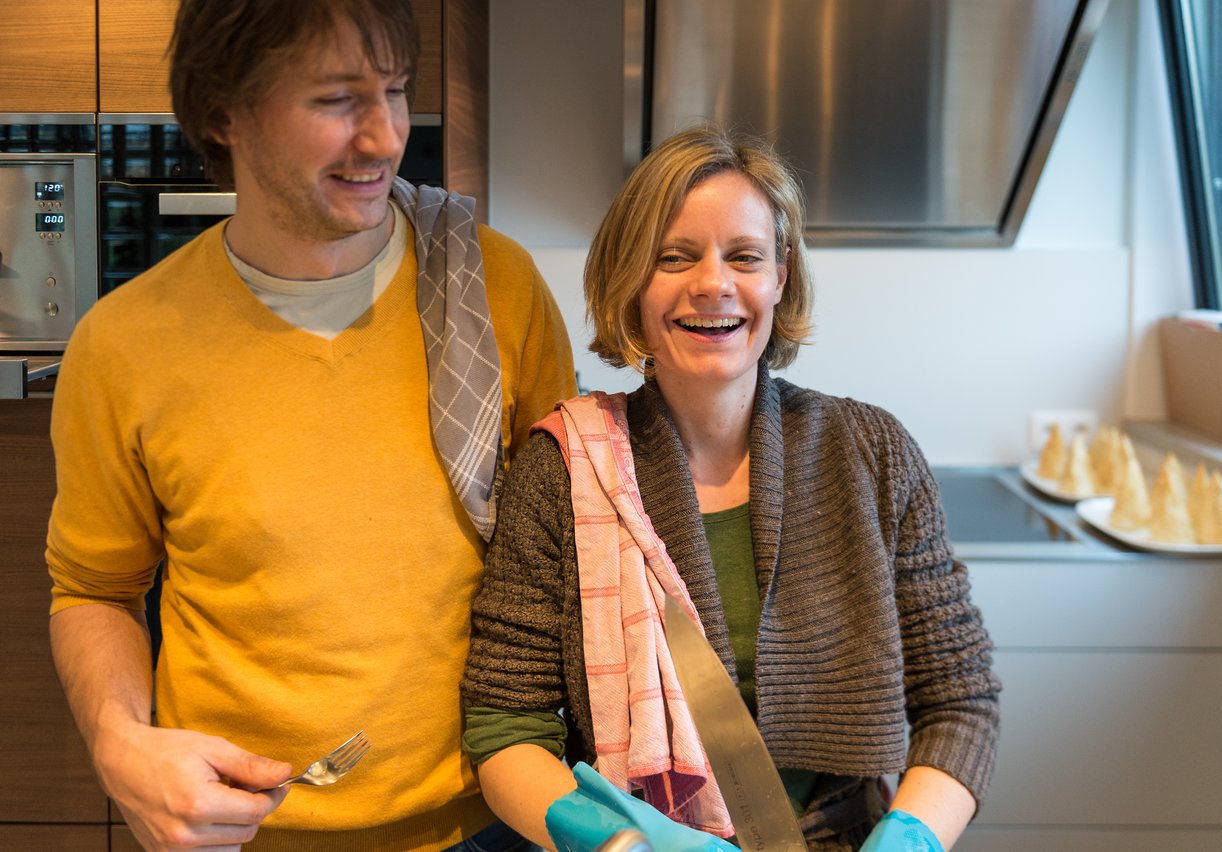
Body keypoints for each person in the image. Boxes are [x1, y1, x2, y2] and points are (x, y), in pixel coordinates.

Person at [45, 0, 576, 849]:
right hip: (244, 830)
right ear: (226, 111)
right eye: (335, 100)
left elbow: (563, 553)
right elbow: (94, 588)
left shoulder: (496, 291)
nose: (383, 138)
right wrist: (119, 743)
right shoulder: (124, 345)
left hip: (489, 822)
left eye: (395, 92)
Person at [461, 124, 1000, 851]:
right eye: (675, 257)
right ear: (632, 281)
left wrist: (910, 837)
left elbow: (960, 704)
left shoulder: (872, 453)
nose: (713, 283)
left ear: (780, 276)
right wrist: (620, 845)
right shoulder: (564, 471)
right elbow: (504, 729)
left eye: (744, 256)